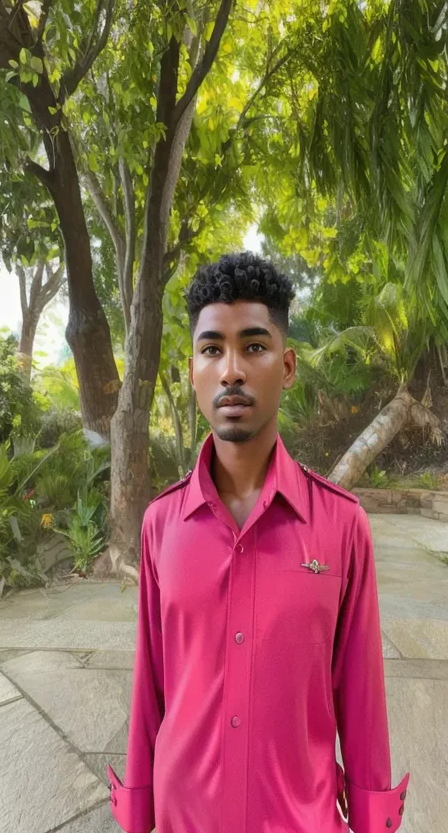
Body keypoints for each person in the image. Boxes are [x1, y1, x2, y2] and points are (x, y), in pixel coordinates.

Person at [107, 252, 410, 833]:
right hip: (183, 815)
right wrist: (139, 806)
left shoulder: (342, 526)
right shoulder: (161, 525)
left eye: (253, 345)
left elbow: (363, 695)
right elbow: (149, 683)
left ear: (288, 365)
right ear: (192, 368)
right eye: (212, 349)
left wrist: (373, 816)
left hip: (301, 817)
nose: (231, 371)